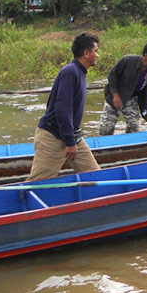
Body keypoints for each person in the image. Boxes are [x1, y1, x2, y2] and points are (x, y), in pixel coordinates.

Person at [28, 32, 102, 181]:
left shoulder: (80, 72)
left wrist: (72, 140)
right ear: (86, 53)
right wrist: (69, 142)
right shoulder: (70, 72)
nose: (98, 55)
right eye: (96, 51)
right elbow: (63, 109)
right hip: (53, 136)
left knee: (95, 176)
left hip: (74, 137)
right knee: (38, 183)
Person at [99, 42, 147, 135]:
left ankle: (129, 145)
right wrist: (115, 95)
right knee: (106, 129)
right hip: (115, 97)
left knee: (134, 128)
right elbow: (112, 76)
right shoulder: (127, 61)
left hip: (131, 99)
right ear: (146, 55)